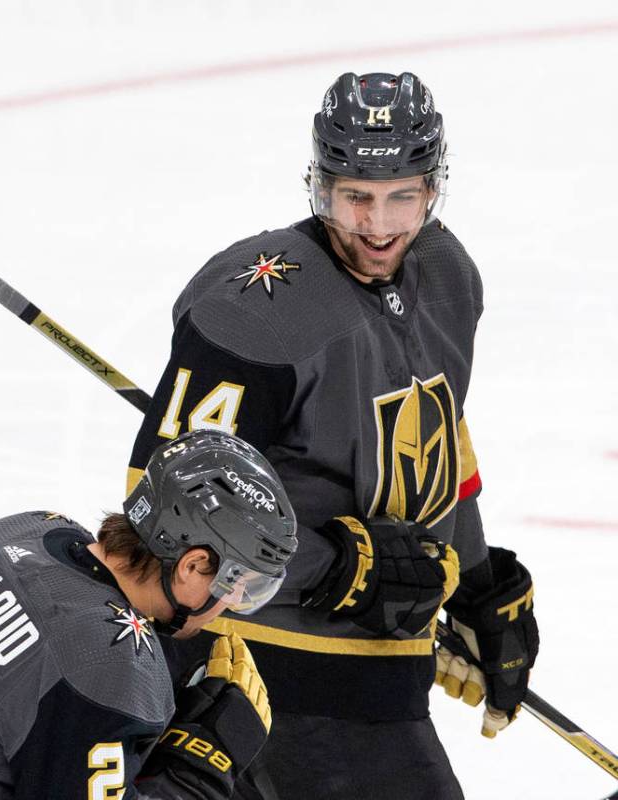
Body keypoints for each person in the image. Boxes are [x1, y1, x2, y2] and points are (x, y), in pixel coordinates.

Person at [127, 72, 539, 799]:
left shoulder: (446, 274)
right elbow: (156, 513)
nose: (376, 226)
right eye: (353, 196)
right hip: (262, 666)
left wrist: (474, 587)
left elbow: (438, 449)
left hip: (383, 673)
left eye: (401, 197)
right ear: (317, 185)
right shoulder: (255, 305)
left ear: (434, 189)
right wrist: (334, 569)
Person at [0, 429, 298, 800]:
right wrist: (200, 769)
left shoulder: (25, 531)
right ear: (192, 565)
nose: (234, 604)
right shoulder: (111, 672)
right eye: (239, 584)